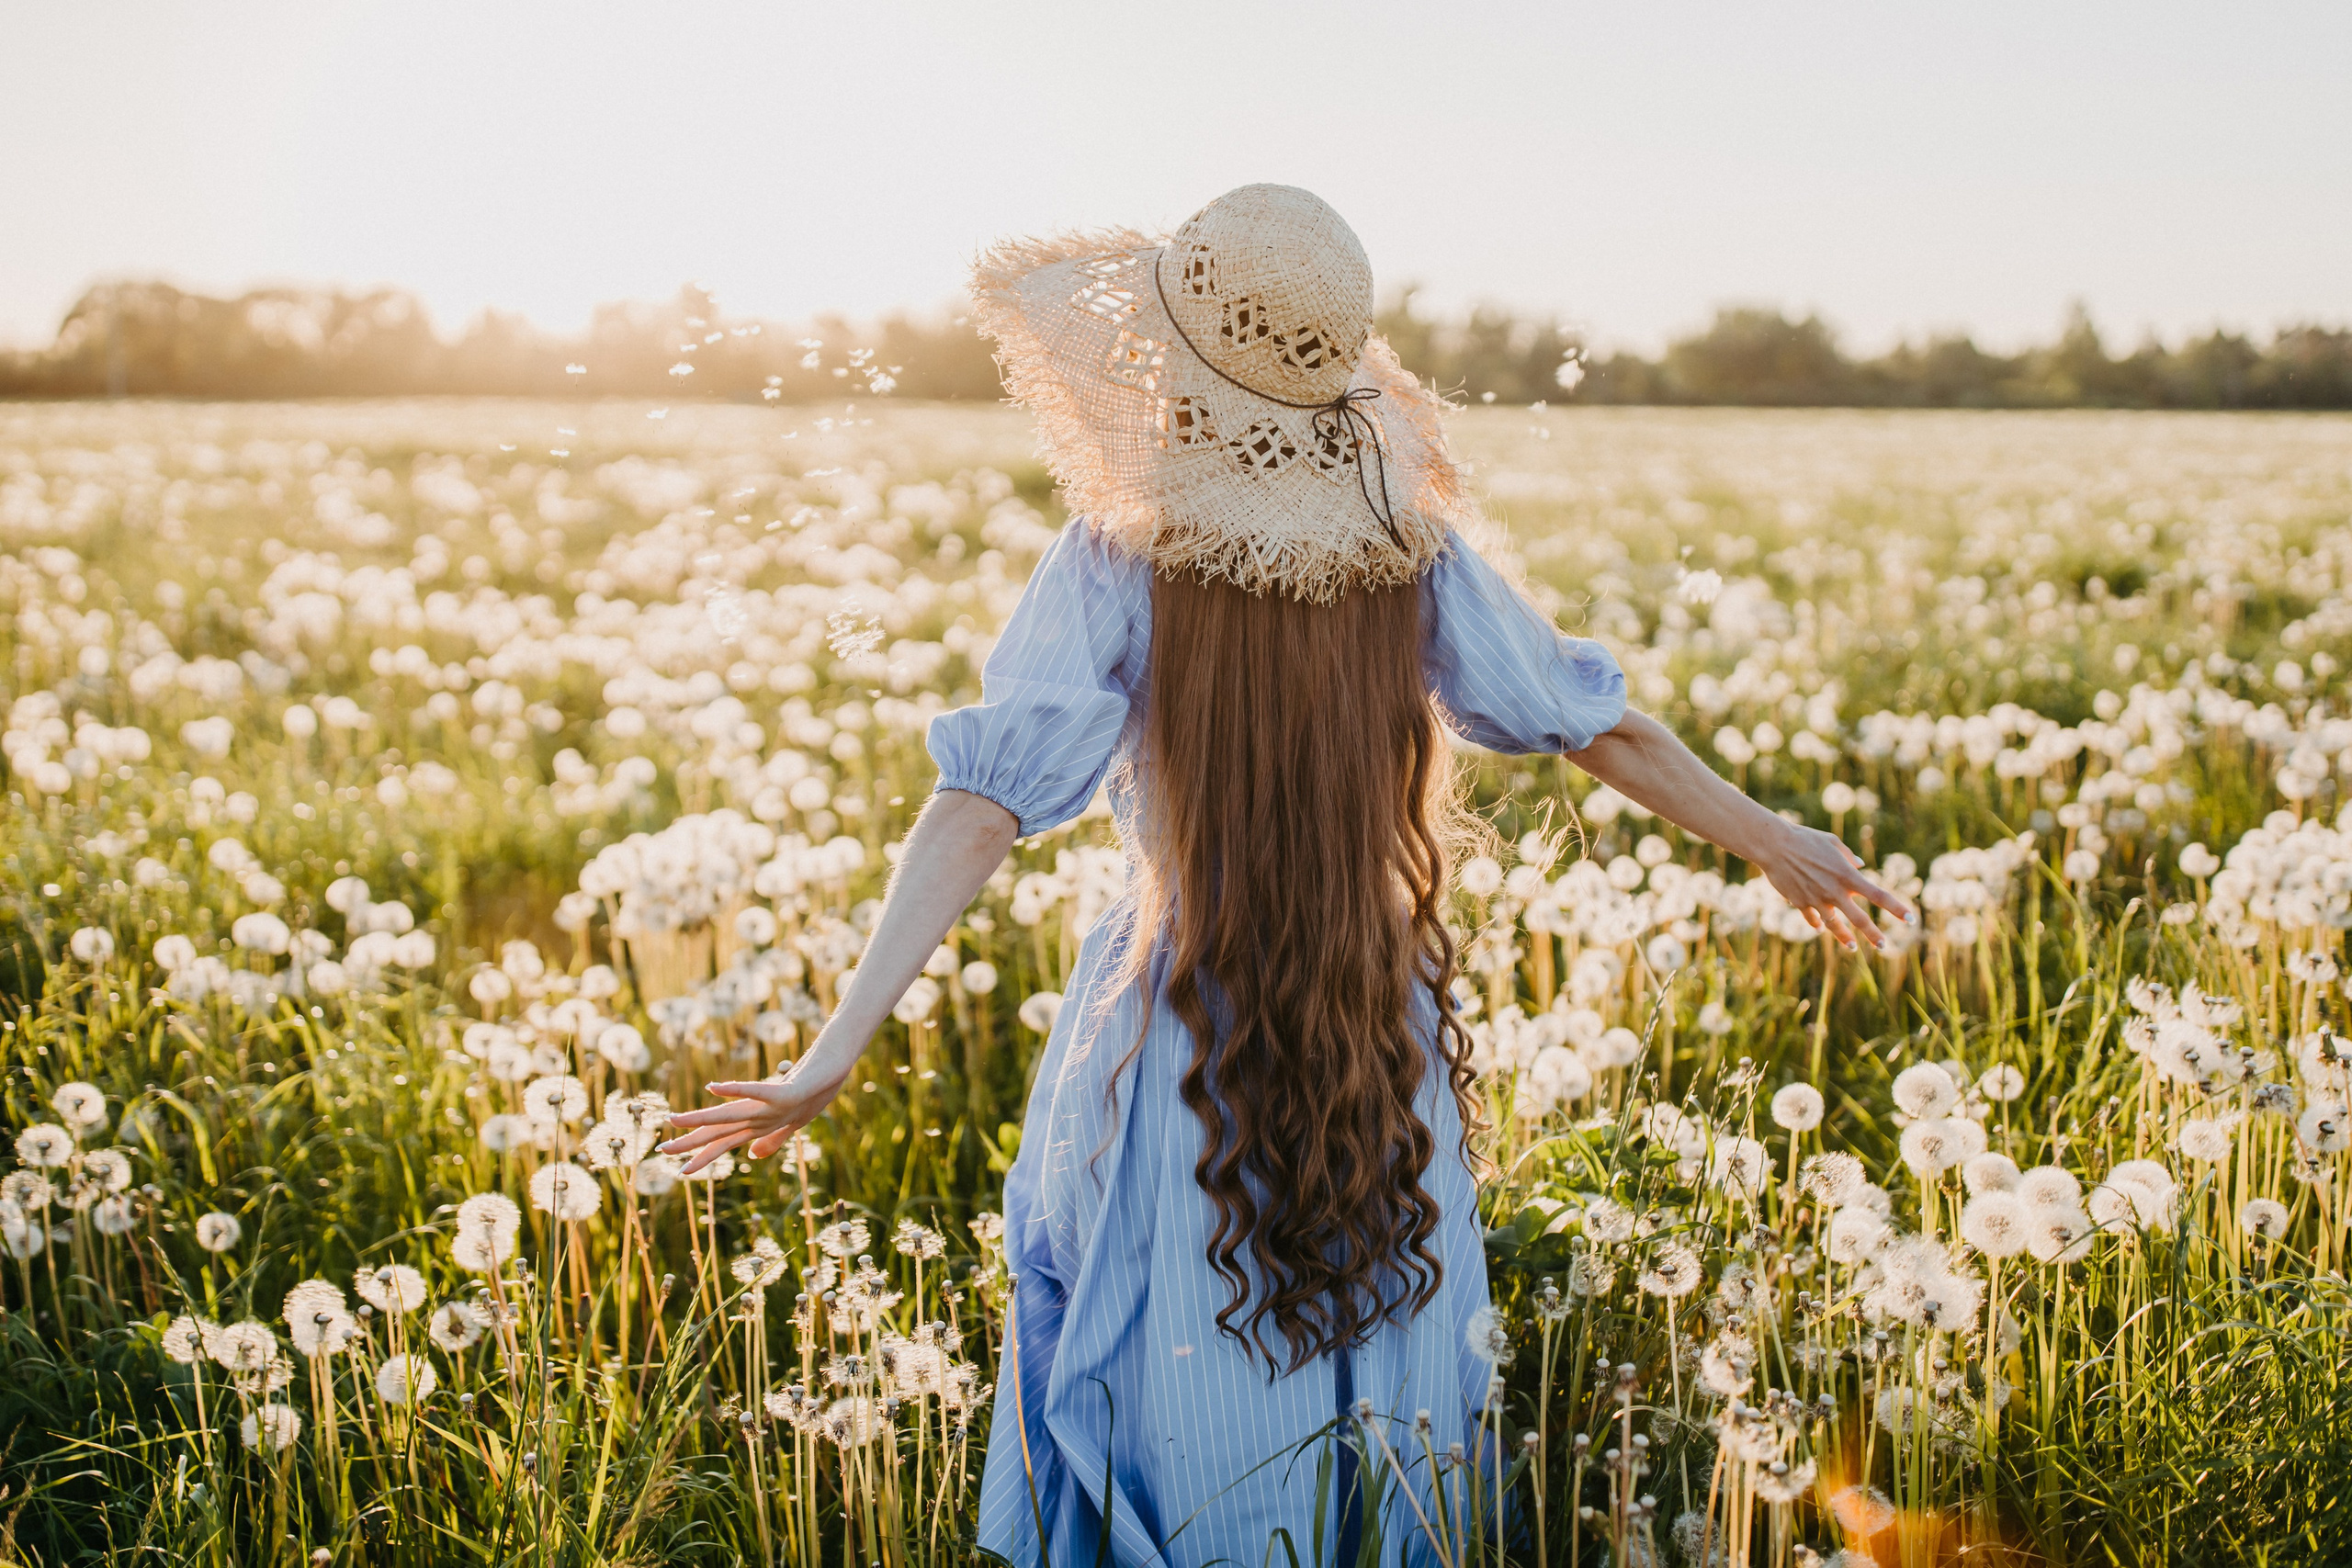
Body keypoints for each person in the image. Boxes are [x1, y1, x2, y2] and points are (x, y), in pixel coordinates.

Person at [661, 184, 1909, 1564]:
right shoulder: (1410, 556)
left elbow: (980, 807)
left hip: (1168, 1024)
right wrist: (1779, 842)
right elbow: (1597, 725)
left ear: (1175, 370)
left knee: (1170, 1352)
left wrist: (840, 1046)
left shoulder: (1117, 554)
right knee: (1386, 1341)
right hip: (1378, 1012)